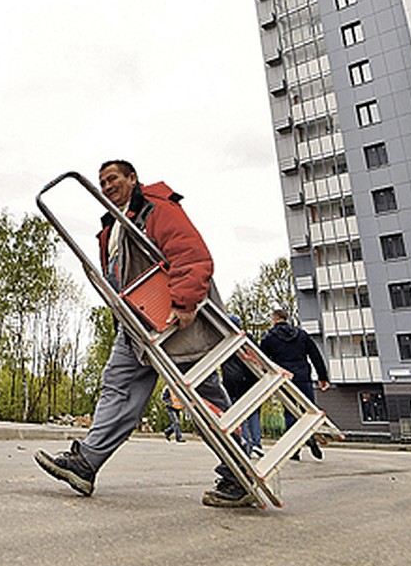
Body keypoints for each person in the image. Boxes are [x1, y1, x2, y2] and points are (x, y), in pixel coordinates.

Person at [35, 160, 254, 508]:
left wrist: (184, 302)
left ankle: (239, 472)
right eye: (102, 182)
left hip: (177, 324)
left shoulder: (157, 209)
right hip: (137, 328)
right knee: (117, 388)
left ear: (132, 178)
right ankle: (86, 464)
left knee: (204, 398)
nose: (107, 186)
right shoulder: (111, 226)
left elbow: (192, 255)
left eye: (113, 179)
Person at [260, 307, 330, 459]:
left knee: (290, 413)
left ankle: (294, 450)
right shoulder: (301, 335)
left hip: (285, 379)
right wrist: (323, 377)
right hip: (304, 377)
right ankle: (310, 437)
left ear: (274, 320)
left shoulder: (269, 338)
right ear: (287, 319)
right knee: (309, 411)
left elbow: (262, 360)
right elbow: (315, 356)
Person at [221, 316, 261, 458]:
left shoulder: (223, 339)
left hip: (232, 380)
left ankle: (246, 444)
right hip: (249, 379)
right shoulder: (247, 338)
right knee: (253, 412)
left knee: (238, 414)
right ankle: (257, 443)